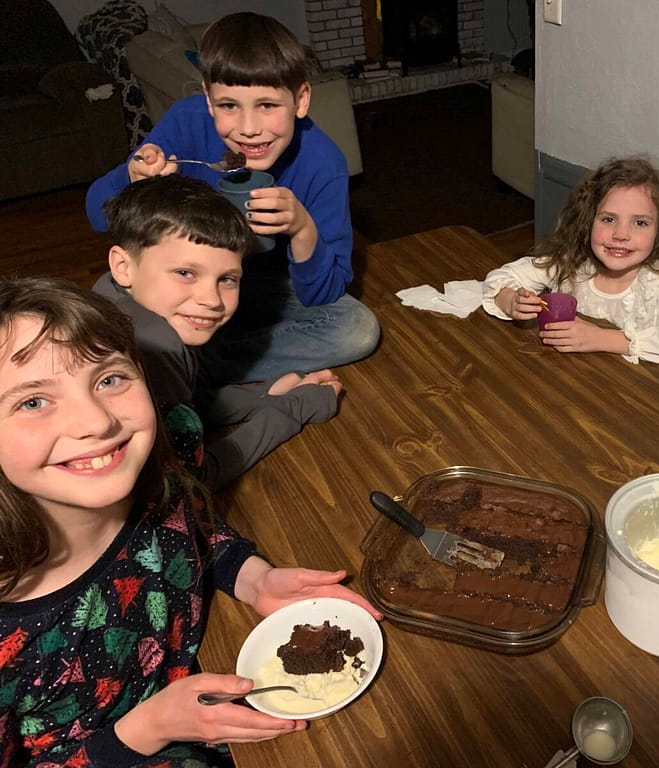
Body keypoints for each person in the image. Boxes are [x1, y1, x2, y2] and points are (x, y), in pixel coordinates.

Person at [0, 276, 382, 766]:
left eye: (109, 379)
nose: (95, 422)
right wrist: (149, 728)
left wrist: (251, 576)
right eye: (34, 401)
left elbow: (193, 525)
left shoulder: (163, 454)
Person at [85, 12, 379, 386]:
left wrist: (302, 229)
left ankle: (187, 367)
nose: (248, 129)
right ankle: (173, 357)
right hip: (183, 280)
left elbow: (324, 293)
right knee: (109, 296)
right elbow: (97, 214)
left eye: (267, 105)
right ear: (208, 100)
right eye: (229, 106)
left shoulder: (323, 164)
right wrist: (132, 177)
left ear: (300, 100)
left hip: (257, 286)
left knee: (357, 328)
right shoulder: (186, 122)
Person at [93, 174, 342, 491]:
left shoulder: (109, 291)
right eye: (185, 273)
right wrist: (295, 408)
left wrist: (263, 394)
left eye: (227, 279)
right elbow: (193, 478)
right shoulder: (157, 345)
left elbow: (173, 409)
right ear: (123, 265)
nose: (211, 299)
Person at [481, 156, 659, 366]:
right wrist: (511, 301)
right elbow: (500, 278)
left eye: (640, 223)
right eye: (608, 219)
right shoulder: (572, 262)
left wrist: (601, 338)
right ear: (588, 222)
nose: (620, 234)